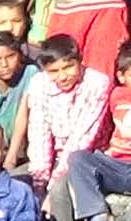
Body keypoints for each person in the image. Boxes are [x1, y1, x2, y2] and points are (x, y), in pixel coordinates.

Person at [24, 34, 111, 200]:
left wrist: (52, 186)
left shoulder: (97, 83)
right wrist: (39, 182)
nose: (62, 76)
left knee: (59, 193)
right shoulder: (39, 84)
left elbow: (82, 139)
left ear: (80, 60)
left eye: (68, 67)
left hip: (88, 157)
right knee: (20, 184)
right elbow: (38, 133)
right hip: (53, 156)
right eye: (54, 71)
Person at [64, 43, 131, 221]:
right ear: (121, 76)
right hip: (115, 164)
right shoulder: (116, 95)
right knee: (78, 159)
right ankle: (98, 212)